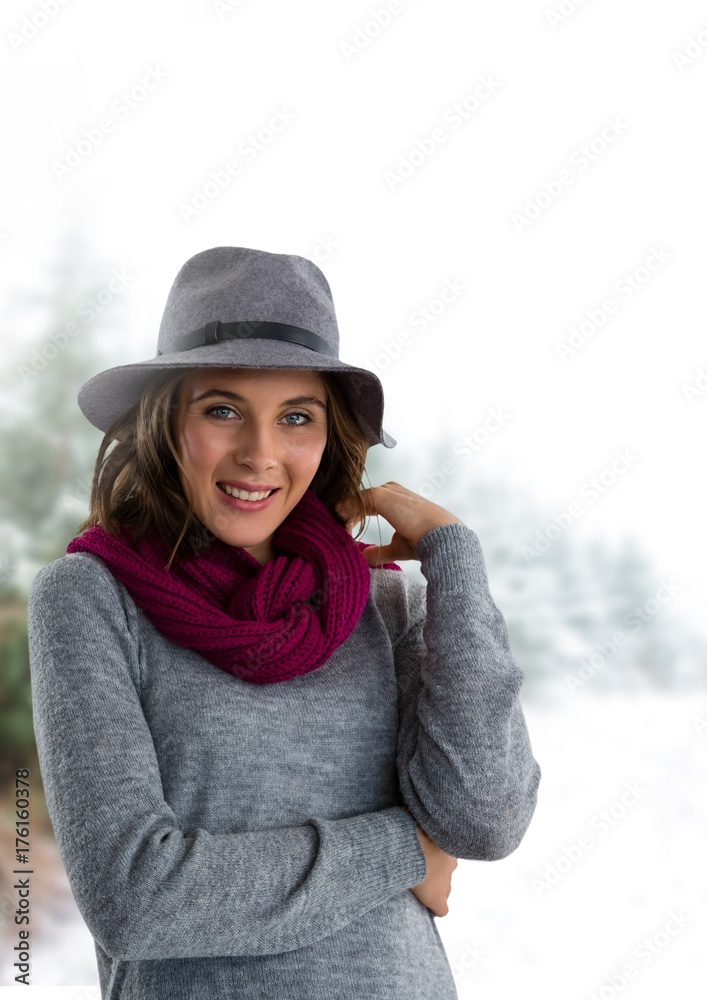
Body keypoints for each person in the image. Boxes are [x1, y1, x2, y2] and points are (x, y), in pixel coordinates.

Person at [27, 245, 541, 999]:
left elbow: (483, 821)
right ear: (164, 422)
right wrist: (405, 848)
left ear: (328, 437)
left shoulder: (385, 603)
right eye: (222, 410)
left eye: (295, 417)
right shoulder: (91, 598)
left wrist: (453, 559)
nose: (259, 454)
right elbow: (137, 900)